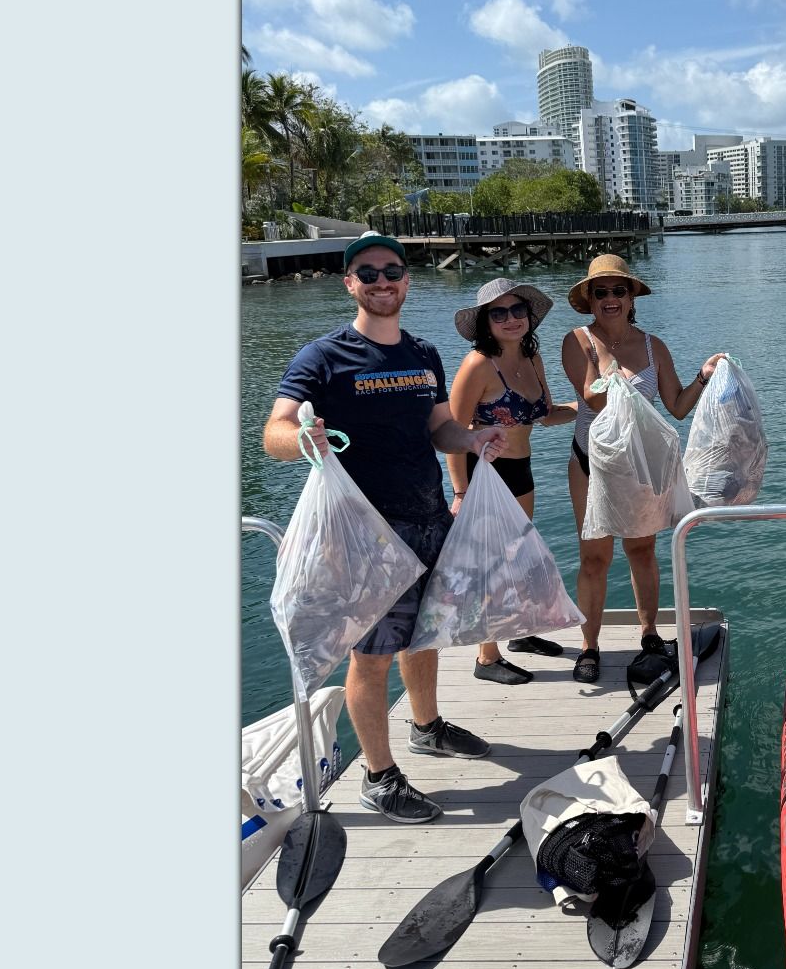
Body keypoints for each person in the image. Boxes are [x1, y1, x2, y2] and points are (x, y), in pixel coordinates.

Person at [262, 232, 509, 824]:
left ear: (406, 281)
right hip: (363, 534)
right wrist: (301, 440)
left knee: (423, 637)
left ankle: (426, 726)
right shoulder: (322, 357)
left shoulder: (422, 353)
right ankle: (379, 776)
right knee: (369, 657)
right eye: (367, 273)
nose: (381, 281)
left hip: (426, 520)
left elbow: (439, 429)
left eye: (391, 271)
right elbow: (272, 434)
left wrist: (471, 439)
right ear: (349, 283)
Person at [559, 254, 725, 684]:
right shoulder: (577, 341)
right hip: (591, 463)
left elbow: (677, 407)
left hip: (640, 466)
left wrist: (704, 376)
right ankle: (589, 645)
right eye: (601, 292)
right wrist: (609, 363)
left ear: (632, 296)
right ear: (589, 300)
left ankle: (650, 633)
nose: (610, 299)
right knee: (594, 557)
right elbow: (593, 399)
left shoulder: (654, 347)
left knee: (642, 550)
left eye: (619, 290)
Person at [444, 278, 579, 685]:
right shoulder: (478, 365)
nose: (510, 319)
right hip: (485, 476)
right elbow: (451, 432)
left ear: (528, 317)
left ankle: (518, 633)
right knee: (492, 565)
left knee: (519, 555)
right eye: (498, 313)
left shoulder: (531, 358)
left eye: (517, 311)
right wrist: (461, 491)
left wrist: (590, 406)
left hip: (522, 472)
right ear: (486, 321)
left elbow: (544, 413)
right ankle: (487, 657)